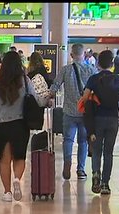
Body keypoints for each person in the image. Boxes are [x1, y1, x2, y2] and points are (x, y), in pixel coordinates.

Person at [0, 51, 48, 202]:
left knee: (5, 160)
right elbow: (36, 100)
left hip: (1, 125)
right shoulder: (25, 81)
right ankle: (17, 179)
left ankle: (7, 192)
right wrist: (47, 99)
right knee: (19, 157)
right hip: (20, 124)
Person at [81, 50, 119, 194]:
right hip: (112, 120)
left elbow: (85, 98)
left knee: (96, 150)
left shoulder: (93, 79)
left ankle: (95, 174)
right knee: (109, 152)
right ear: (112, 64)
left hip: (97, 119)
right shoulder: (118, 79)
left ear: (98, 63)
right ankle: (105, 184)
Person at [50, 43, 97, 181]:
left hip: (69, 111)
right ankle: (81, 169)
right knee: (83, 141)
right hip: (85, 113)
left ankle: (67, 163)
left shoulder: (66, 70)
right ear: (84, 55)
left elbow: (55, 85)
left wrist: (50, 95)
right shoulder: (91, 69)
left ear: (71, 55)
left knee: (68, 140)